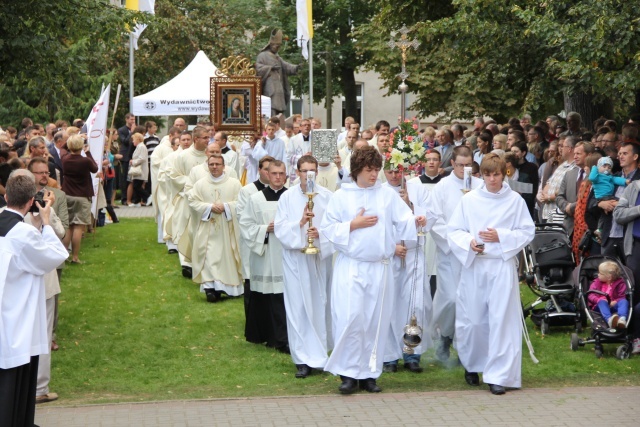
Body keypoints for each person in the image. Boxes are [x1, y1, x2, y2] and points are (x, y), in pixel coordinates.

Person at [319, 146, 425, 394]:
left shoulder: (386, 195)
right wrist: (352, 225)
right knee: (351, 318)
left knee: (375, 320)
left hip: (380, 267)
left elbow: (403, 219)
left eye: (377, 169)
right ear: (356, 170)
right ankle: (347, 374)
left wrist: (415, 219)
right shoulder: (341, 197)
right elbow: (327, 228)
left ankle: (369, 373)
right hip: (352, 266)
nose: (374, 174)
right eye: (369, 170)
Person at [448, 153, 535, 395]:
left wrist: (502, 237)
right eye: (487, 174)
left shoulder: (515, 200)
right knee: (473, 320)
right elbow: (454, 229)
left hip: (500, 264)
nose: (492, 179)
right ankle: (473, 364)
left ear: (504, 173)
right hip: (476, 265)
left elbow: (527, 231)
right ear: (481, 175)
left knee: (501, 321)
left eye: (496, 174)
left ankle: (499, 375)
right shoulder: (469, 200)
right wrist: (469, 242)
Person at [0, 174, 68, 426]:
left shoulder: (13, 226)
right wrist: (46, 223)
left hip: (6, 309)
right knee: (15, 376)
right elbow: (55, 255)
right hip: (16, 316)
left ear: (6, 196)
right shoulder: (22, 233)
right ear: (31, 202)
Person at [274, 155, 334, 379]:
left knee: (320, 304)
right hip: (296, 259)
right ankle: (301, 359)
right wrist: (299, 224)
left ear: (317, 172)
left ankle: (319, 356)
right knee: (298, 307)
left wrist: (320, 235)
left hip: (318, 259)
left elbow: (334, 229)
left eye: (312, 171)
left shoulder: (327, 197)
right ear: (296, 172)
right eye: (304, 171)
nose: (308, 175)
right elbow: (280, 230)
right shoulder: (287, 198)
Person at [430, 146, 483, 362]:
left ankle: (466, 348)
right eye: (460, 165)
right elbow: (435, 220)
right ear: (452, 164)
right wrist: (457, 241)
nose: (464, 169)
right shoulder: (442, 187)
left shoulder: (480, 187)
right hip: (450, 254)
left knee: (471, 302)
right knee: (451, 299)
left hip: (474, 256)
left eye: (468, 165)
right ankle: (445, 336)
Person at [381, 167, 434, 374]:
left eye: (398, 171)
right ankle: (389, 356)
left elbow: (430, 217)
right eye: (390, 171)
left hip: (413, 253)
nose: (395, 176)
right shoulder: (381, 192)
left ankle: (412, 352)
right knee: (391, 305)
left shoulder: (417, 189)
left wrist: (412, 206)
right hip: (391, 254)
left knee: (415, 305)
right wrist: (391, 246)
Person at [239, 160, 290, 353]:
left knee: (283, 298)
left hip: (286, 254)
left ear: (286, 175)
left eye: (281, 173)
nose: (277, 177)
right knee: (266, 297)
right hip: (266, 253)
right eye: (274, 173)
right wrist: (264, 229)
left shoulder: (292, 197)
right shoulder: (256, 198)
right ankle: (267, 336)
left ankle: (284, 338)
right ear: (267, 174)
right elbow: (245, 225)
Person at [188, 154, 243, 302]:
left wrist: (226, 207)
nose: (214, 167)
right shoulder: (200, 184)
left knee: (227, 257)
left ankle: (226, 288)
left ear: (224, 166)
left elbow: (242, 202)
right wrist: (209, 207)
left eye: (217, 164)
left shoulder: (234, 183)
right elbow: (192, 201)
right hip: (208, 228)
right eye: (211, 164)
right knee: (208, 255)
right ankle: (210, 288)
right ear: (208, 166)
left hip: (228, 228)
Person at [237, 155, 273, 338]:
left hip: (275, 246)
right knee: (253, 282)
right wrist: (264, 228)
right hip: (254, 243)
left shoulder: (283, 192)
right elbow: (243, 218)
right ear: (259, 170)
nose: (270, 174)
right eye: (267, 169)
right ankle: (254, 325)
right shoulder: (248, 191)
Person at [61, 134, 98, 264]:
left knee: (68, 226)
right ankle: (75, 257)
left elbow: (63, 148)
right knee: (78, 227)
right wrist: (88, 152)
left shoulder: (65, 159)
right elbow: (95, 168)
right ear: (81, 146)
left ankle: (64, 256)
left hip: (67, 194)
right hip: (82, 195)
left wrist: (72, 138)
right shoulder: (85, 160)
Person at [256, 29, 300, 117]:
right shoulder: (262, 55)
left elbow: (286, 66)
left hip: (279, 88)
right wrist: (270, 68)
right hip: (270, 88)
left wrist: (296, 67)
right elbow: (258, 68)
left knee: (280, 111)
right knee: (272, 108)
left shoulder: (278, 57)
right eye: (277, 46)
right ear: (271, 45)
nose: (278, 48)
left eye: (279, 46)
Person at [587, 261, 628, 329]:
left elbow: (621, 296)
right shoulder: (596, 283)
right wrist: (598, 300)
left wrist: (616, 301)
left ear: (609, 277)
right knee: (602, 302)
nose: (598, 274)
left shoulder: (620, 284)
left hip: (614, 305)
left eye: (600, 273)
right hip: (600, 306)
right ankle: (609, 320)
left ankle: (622, 319)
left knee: (624, 301)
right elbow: (590, 294)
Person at [128, 133, 150, 206]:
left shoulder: (141, 147)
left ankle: (147, 196)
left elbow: (142, 158)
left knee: (136, 186)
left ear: (137, 139)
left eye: (133, 139)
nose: (133, 141)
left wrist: (133, 162)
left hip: (140, 170)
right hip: (138, 171)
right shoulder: (140, 146)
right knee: (137, 186)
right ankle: (138, 201)